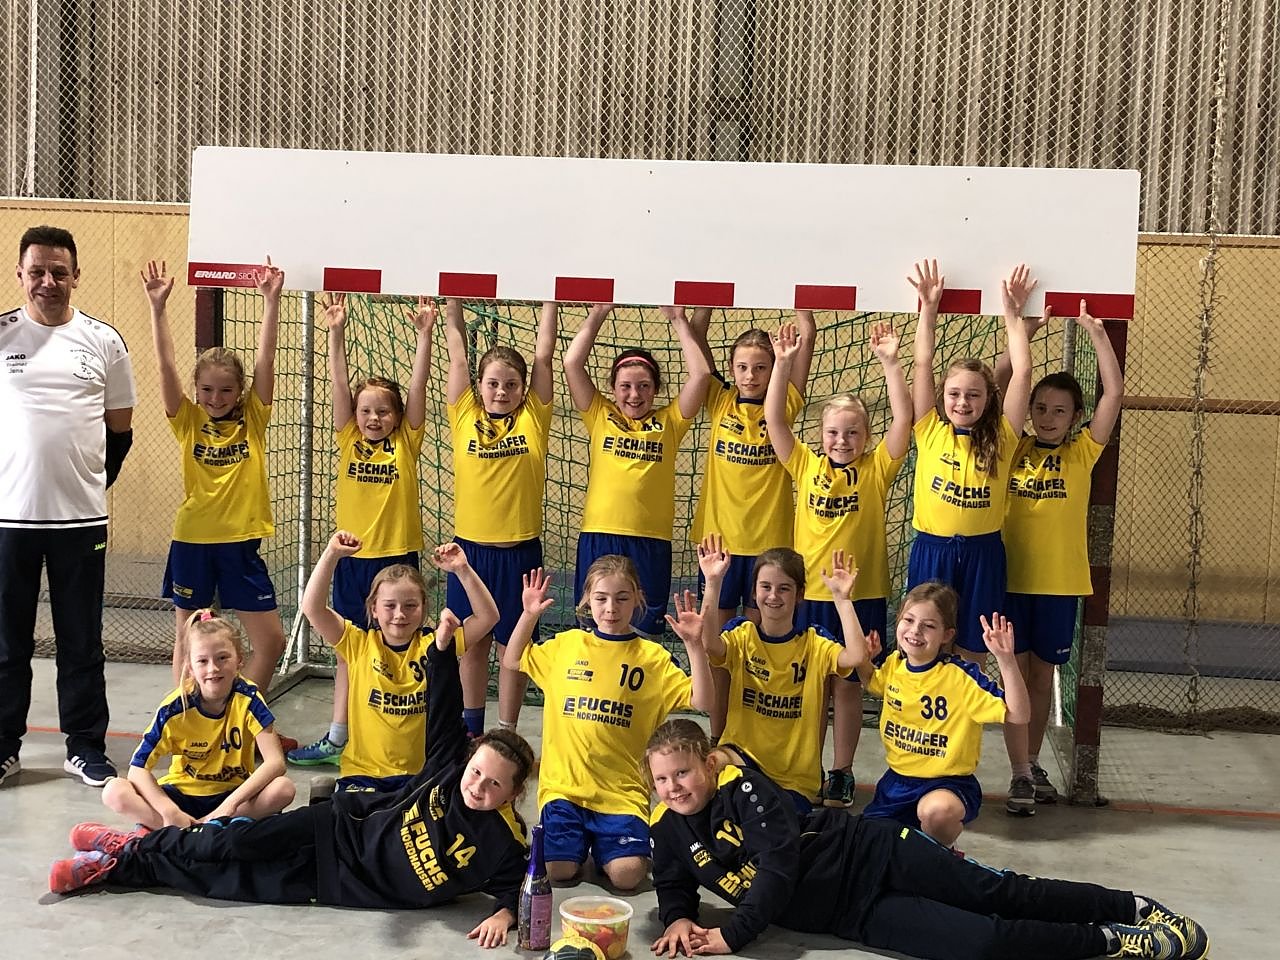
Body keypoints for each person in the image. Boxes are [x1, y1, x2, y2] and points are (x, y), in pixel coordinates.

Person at [52, 639, 535, 950]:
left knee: (225, 882)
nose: (477, 786)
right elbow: (445, 707)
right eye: (477, 771)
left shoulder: (503, 843)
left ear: (513, 793)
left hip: (340, 882)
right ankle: (127, 850)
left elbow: (529, 885)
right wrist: (443, 648)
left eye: (494, 784)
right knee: (229, 843)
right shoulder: (450, 768)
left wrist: (506, 913)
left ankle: (121, 860)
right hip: (335, 827)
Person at [645, 718, 1209, 960]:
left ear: (710, 765)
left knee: (998, 893)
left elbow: (777, 869)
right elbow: (672, 880)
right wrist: (677, 917)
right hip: (852, 914)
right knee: (981, 943)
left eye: (684, 773)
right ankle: (1111, 941)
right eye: (663, 779)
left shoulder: (745, 791)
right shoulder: (667, 826)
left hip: (876, 853)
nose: (674, 788)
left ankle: (1131, 907)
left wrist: (733, 934)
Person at [0, 225, 136, 788]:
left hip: (80, 521)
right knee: (6, 642)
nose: (48, 282)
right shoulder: (2, 336)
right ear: (20, 274)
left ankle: (85, 747)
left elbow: (120, 431)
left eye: (59, 272)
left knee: (81, 641)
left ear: (76, 276)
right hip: (9, 521)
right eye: (37, 271)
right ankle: (4, 747)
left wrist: (88, 486)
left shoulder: (105, 341)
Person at [765, 319, 912, 807]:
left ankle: (842, 771)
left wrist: (891, 362)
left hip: (861, 596)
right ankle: (804, 767)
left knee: (849, 687)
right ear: (820, 434)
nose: (842, 440)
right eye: (833, 432)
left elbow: (903, 420)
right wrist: (782, 364)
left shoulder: (876, 469)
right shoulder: (805, 464)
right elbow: (775, 421)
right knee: (810, 688)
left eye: (852, 433)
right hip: (811, 596)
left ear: (866, 437)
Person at [907, 259, 1036, 814]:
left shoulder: (1003, 437)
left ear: (988, 401)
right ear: (943, 398)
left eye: (973, 396)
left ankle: (998, 767)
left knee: (977, 658)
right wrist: (929, 308)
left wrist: (1013, 315)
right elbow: (922, 361)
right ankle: (923, 759)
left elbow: (1022, 374)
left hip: (983, 555)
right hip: (932, 551)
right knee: (925, 654)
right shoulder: (928, 429)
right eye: (955, 394)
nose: (962, 403)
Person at [502, 557, 713, 890]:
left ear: (638, 598)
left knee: (627, 876)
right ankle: (578, 845)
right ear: (587, 599)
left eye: (622, 598)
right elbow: (513, 658)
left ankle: (610, 847)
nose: (611, 608)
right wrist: (528, 615)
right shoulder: (567, 646)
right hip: (565, 789)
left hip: (621, 793)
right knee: (557, 870)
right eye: (601, 598)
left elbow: (703, 701)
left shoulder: (653, 658)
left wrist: (694, 645)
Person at [288, 292, 435, 767]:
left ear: (398, 417)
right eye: (366, 410)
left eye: (383, 411)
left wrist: (425, 337)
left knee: (400, 650)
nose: (374, 418)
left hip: (396, 561)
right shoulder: (349, 435)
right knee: (349, 650)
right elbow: (337, 382)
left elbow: (418, 387)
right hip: (352, 559)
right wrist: (336, 332)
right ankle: (339, 735)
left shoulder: (407, 441)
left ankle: (406, 735)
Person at [998, 299, 1124, 803]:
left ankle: (1029, 766)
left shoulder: (1081, 452)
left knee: (1040, 676)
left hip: (1057, 584)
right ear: (1028, 410)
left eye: (1060, 411)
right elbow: (1000, 378)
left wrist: (1097, 333)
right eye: (1041, 408)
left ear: (1076, 417)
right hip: (1009, 580)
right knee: (1013, 677)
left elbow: (1114, 392)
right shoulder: (1011, 447)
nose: (1048, 418)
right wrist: (1025, 331)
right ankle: (1019, 770)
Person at [143, 258, 287, 698]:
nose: (216, 398)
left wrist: (271, 301)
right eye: (206, 390)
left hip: (240, 544)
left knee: (271, 642)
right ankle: (185, 723)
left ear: (240, 391)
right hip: (193, 541)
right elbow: (166, 368)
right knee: (189, 641)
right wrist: (158, 308)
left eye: (226, 390)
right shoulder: (188, 420)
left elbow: (265, 359)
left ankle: (240, 717)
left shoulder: (253, 419)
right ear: (197, 390)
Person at [687, 310, 815, 739]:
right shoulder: (719, 399)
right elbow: (697, 340)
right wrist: (702, 301)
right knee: (718, 650)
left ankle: (753, 735)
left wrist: (803, 306)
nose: (750, 376)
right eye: (742, 367)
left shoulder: (785, 404)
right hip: (719, 547)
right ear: (730, 369)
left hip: (767, 549)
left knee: (759, 651)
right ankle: (719, 735)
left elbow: (808, 335)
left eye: (761, 368)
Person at [670, 535, 865, 813]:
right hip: (740, 756)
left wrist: (843, 600)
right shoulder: (742, 634)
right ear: (754, 592)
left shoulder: (815, 643)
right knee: (704, 777)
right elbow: (710, 643)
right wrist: (713, 582)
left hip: (792, 778)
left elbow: (855, 657)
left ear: (800, 595)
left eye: (784, 588)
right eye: (766, 587)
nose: (773, 596)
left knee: (766, 820)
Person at [301, 530, 498, 792]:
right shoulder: (358, 644)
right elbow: (312, 608)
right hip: (363, 776)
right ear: (374, 608)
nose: (399, 614)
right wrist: (331, 554)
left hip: (419, 778)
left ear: (423, 607)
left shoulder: (436, 645)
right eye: (389, 606)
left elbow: (488, 617)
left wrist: (463, 570)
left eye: (410, 606)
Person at [563, 303, 712, 636]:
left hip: (651, 542)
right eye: (626, 386)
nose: (634, 394)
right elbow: (572, 363)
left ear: (656, 389)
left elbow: (701, 375)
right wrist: (599, 312)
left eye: (644, 385)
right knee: (594, 629)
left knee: (643, 634)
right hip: (600, 536)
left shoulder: (670, 421)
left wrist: (678, 320)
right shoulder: (599, 414)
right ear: (613, 389)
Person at [445, 299, 557, 737]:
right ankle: (471, 730)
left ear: (523, 389)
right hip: (469, 556)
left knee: (515, 645)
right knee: (472, 644)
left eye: (511, 385)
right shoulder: (464, 414)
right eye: (492, 383)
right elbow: (458, 354)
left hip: (519, 554)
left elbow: (543, 355)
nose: (501, 392)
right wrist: (452, 300)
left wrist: (550, 298)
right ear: (479, 385)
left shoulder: (533, 417)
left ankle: (507, 732)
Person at [856, 582, 1029, 848]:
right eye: (909, 620)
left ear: (947, 635)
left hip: (948, 784)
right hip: (897, 784)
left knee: (936, 814)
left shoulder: (960, 677)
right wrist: (865, 660)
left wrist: (1006, 661)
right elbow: (871, 681)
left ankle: (944, 855)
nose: (915, 630)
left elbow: (1019, 714)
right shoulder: (894, 665)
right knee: (868, 844)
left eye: (928, 625)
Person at [100, 609, 295, 827]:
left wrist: (228, 806)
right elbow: (137, 770)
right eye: (202, 661)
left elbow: (276, 763)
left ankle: (176, 834)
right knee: (114, 791)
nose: (213, 668)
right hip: (181, 795)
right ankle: (198, 830)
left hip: (231, 795)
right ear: (190, 667)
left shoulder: (249, 700)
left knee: (283, 788)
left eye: (223, 658)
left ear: (239, 660)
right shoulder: (175, 708)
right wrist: (169, 810)